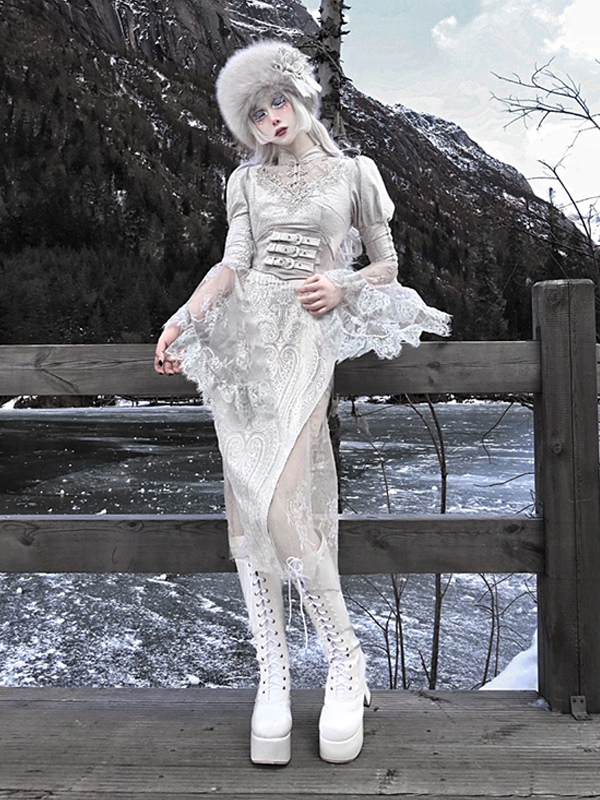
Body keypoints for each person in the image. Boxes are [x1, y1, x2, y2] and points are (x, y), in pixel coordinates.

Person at [154, 40, 451, 766]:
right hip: (245, 341)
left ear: (300, 97)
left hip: (307, 335)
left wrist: (344, 284)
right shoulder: (245, 182)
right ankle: (274, 675)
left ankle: (345, 658)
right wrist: (182, 318)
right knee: (249, 505)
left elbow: (386, 263)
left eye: (277, 102)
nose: (270, 119)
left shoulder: (354, 173)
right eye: (255, 114)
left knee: (284, 503)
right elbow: (233, 265)